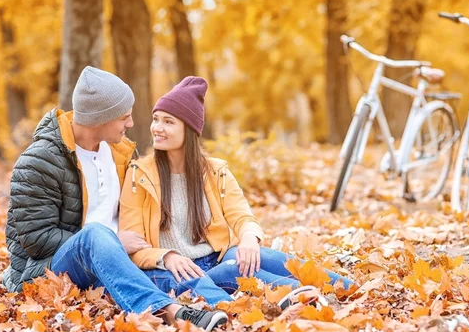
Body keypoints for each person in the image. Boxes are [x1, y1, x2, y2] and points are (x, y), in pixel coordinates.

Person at [3, 67, 228, 331]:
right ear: (100, 118)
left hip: (115, 263)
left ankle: (227, 307)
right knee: (97, 235)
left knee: (174, 270)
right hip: (52, 268)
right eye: (124, 117)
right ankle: (170, 311)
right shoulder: (39, 161)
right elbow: (36, 240)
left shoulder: (120, 154)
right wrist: (115, 241)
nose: (131, 124)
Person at [120, 76, 354, 309]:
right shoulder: (139, 175)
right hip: (177, 270)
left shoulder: (215, 172)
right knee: (236, 269)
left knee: (260, 256)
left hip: (216, 257)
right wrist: (167, 256)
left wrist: (249, 239)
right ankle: (301, 296)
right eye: (156, 119)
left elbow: (242, 216)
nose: (157, 128)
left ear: (189, 129)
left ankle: (348, 287)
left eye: (168, 122)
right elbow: (135, 249)